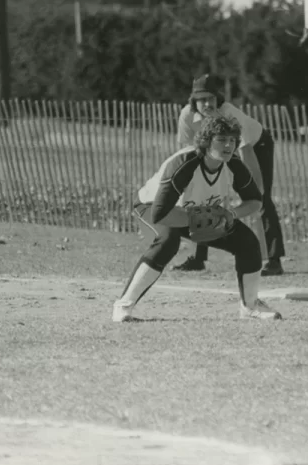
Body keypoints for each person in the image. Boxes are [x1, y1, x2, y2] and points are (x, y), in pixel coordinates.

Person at [112, 114, 283, 322]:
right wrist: (201, 218)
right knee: (168, 240)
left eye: (232, 140)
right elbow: (161, 213)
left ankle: (250, 306)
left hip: (195, 212)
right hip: (151, 207)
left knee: (247, 242)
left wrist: (230, 215)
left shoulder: (233, 164)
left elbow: (256, 201)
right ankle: (123, 306)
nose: (228, 145)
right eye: (221, 140)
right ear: (206, 141)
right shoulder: (185, 163)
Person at [172, 73, 286, 277]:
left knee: (262, 199)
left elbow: (245, 150)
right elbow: (188, 151)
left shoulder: (228, 114)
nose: (207, 103)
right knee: (202, 197)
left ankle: (274, 260)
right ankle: (198, 259)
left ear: (218, 99)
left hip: (256, 146)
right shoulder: (187, 117)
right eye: (202, 98)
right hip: (217, 150)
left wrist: (256, 188)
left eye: (211, 98)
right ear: (194, 100)